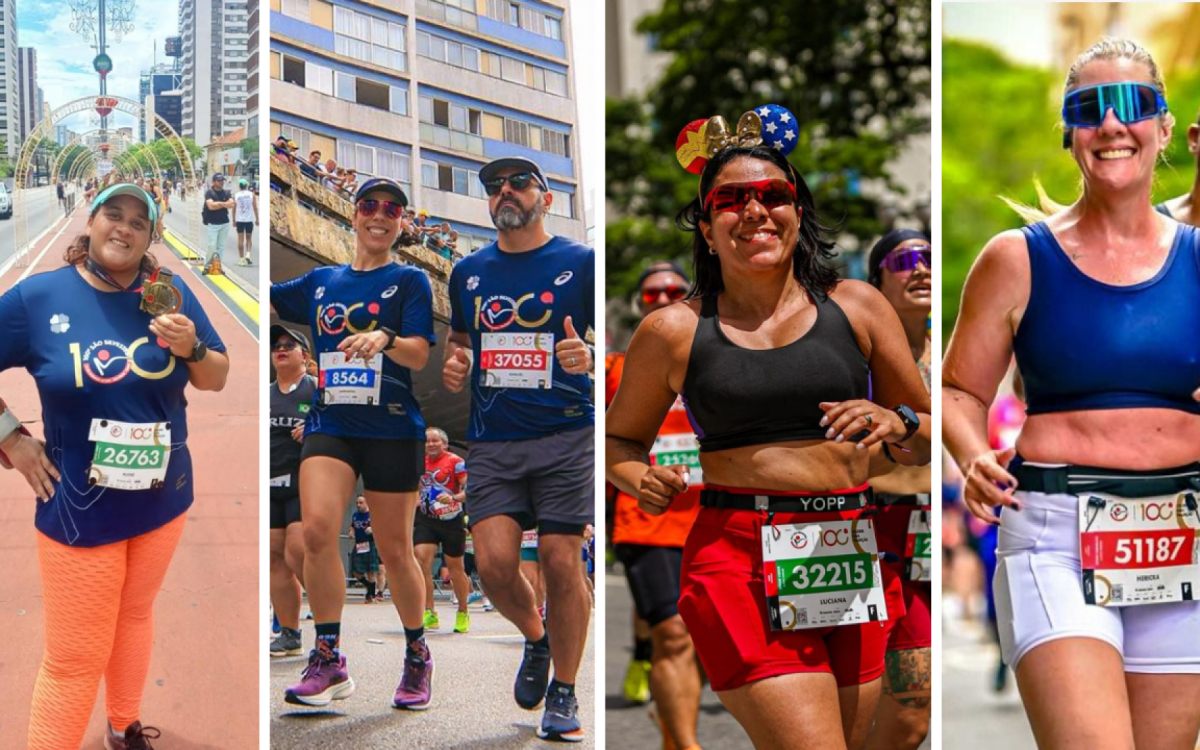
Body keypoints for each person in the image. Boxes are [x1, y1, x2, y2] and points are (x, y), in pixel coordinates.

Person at [606, 106, 932, 750]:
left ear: (798, 211)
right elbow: (619, 440)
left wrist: (891, 417)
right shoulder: (671, 330)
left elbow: (922, 435)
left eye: (772, 194)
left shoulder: (858, 305)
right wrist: (638, 476)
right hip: (738, 554)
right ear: (705, 227)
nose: (754, 210)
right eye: (730, 200)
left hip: (849, 547)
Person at [944, 38, 1200, 750]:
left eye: (1134, 106)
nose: (1113, 125)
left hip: (1183, 534)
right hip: (1056, 535)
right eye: (1090, 109)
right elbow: (961, 388)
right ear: (1068, 132)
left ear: (1165, 127)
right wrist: (969, 457)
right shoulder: (1016, 257)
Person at [0, 183, 230, 750]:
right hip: (79, 505)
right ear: (92, 221)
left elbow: (216, 375)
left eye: (138, 221)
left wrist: (192, 348)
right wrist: (13, 439)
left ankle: (123, 724)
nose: (123, 229)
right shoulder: (38, 298)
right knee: (75, 655)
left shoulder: (169, 292)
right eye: (113, 215)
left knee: (134, 616)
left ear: (152, 236)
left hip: (163, 496)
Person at [442, 155, 595, 741]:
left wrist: (585, 360)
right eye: (493, 185)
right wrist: (456, 365)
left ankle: (565, 689)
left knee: (560, 561)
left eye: (518, 182)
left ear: (546, 197)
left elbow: (605, 346)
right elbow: (460, 340)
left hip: (565, 433)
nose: (504, 191)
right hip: (494, 439)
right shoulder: (468, 271)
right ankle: (537, 640)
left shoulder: (581, 263)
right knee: (496, 564)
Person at [271, 177, 437, 710]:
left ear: (401, 223)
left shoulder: (410, 280)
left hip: (391, 426)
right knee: (318, 532)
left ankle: (416, 654)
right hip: (331, 424)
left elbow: (419, 356)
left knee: (394, 551)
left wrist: (385, 338)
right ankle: (328, 656)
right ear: (354, 215)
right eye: (370, 205)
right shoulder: (321, 282)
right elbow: (259, 296)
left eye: (392, 209)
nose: (380, 214)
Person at [606, 260, 705, 750]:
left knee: (707, 644)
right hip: (649, 522)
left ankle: (671, 729)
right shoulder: (618, 368)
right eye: (652, 295)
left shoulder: (724, 357)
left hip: (722, 517)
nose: (664, 300)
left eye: (674, 291)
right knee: (674, 635)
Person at [862, 231, 933, 750]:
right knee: (851, 705)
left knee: (912, 711)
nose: (921, 268)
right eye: (905, 259)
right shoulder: (854, 356)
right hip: (865, 532)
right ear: (877, 280)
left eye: (928, 257)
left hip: (931, 534)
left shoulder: (953, 350)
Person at [269, 324, 315, 657]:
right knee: (276, 559)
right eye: (276, 346)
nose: (281, 349)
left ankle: (328, 621)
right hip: (271, 481)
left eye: (289, 345)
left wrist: (315, 424)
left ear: (305, 356)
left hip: (304, 480)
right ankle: (290, 633)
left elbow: (342, 421)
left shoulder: (317, 390)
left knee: (297, 551)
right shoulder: (266, 392)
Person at [416, 426, 471, 633]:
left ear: (445, 444)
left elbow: (469, 487)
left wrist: (454, 498)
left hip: (452, 518)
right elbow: (416, 488)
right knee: (421, 560)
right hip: (427, 518)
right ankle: (429, 611)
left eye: (435, 441)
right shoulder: (419, 462)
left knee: (455, 568)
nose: (430, 444)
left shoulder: (456, 462)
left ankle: (463, 611)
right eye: (427, 441)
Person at [347, 495, 381, 602]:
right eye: (357, 503)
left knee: (371, 571)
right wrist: (351, 532)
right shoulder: (355, 515)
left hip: (370, 544)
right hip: (359, 545)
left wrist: (373, 529)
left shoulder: (373, 515)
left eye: (361, 503)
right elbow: (353, 526)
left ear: (367, 503)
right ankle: (369, 587)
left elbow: (381, 528)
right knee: (355, 571)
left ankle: (370, 595)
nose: (358, 505)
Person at [203, 174, 234, 265]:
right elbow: (211, 206)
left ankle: (217, 265)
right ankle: (207, 265)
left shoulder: (226, 193)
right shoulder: (209, 192)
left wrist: (218, 204)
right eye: (219, 180)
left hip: (225, 223)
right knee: (212, 245)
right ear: (214, 181)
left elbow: (232, 204)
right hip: (213, 223)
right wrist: (224, 204)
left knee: (221, 246)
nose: (221, 182)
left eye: (222, 181)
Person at [233, 179, 258, 267]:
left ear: (239, 186)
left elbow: (234, 209)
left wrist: (233, 220)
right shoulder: (252, 195)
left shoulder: (236, 195)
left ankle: (241, 259)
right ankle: (248, 254)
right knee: (249, 238)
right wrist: (257, 219)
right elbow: (255, 207)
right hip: (248, 221)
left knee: (240, 240)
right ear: (247, 186)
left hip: (239, 220)